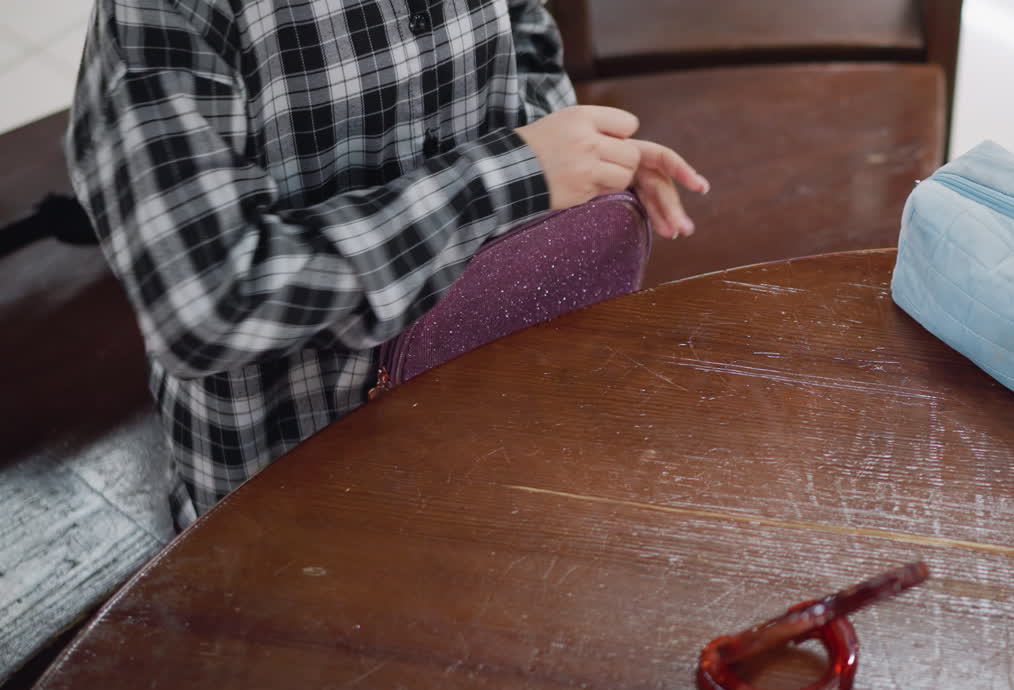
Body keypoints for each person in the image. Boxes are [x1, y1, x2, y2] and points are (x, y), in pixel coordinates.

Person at [66, 0, 708, 529]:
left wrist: (580, 158)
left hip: (493, 422)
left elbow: (524, 33)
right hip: (292, 494)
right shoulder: (163, 13)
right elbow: (207, 306)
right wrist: (513, 174)